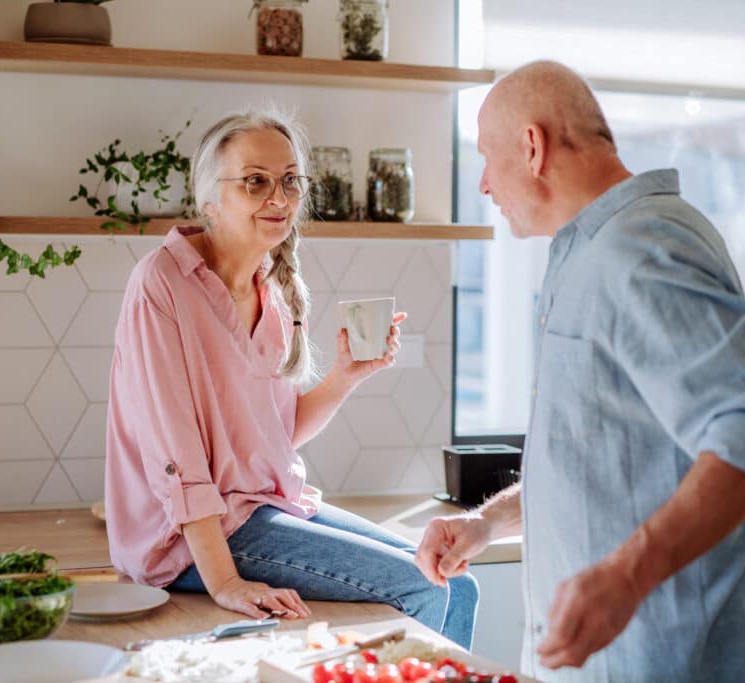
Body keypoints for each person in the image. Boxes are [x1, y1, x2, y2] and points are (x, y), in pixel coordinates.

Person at [415, 61, 745, 681]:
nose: (485, 185)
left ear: (532, 146)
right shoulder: (586, 253)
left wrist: (627, 577)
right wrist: (486, 522)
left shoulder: (643, 247)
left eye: (488, 160)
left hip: (684, 660)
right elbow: (612, 460)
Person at [106, 108, 478, 647]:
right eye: (255, 182)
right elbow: (176, 458)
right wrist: (225, 582)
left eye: (289, 182)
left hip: (259, 511)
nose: (278, 198)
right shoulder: (161, 284)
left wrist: (347, 374)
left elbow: (273, 441)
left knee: (455, 582)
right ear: (210, 197)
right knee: (428, 587)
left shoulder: (271, 292)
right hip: (185, 542)